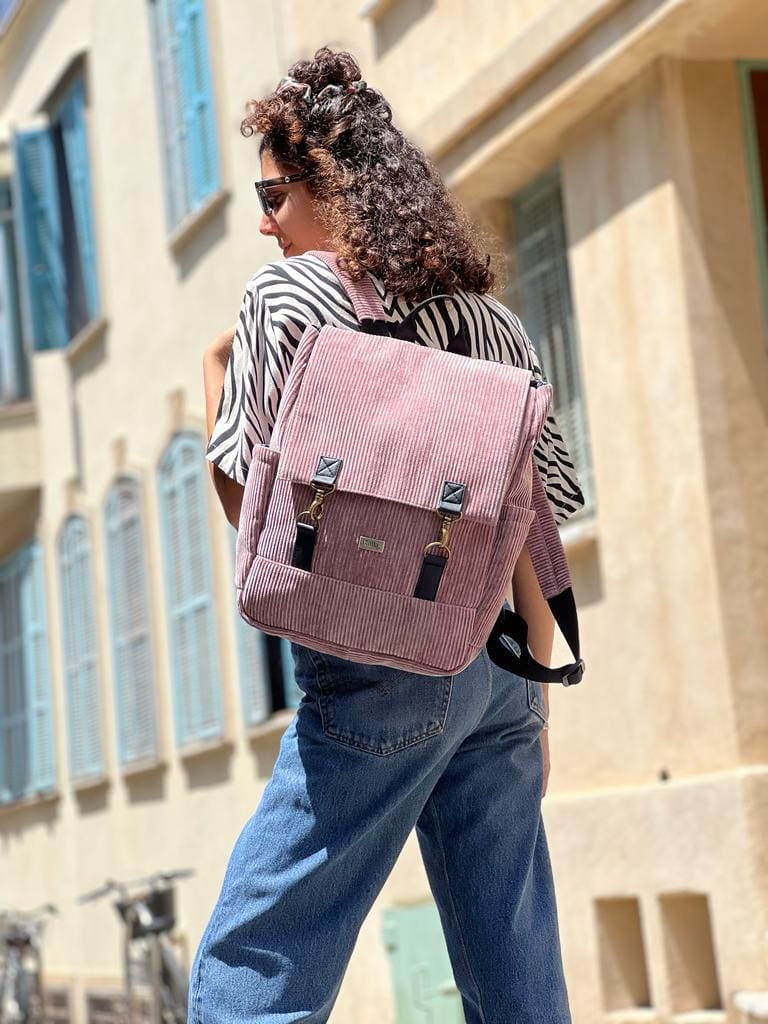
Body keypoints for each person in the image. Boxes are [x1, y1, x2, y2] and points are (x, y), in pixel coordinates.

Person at [193, 45, 584, 1024]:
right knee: (515, 974)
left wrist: (211, 378)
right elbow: (534, 522)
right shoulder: (493, 323)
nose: (263, 218)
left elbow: (253, 514)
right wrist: (534, 706)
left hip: (376, 667)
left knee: (255, 964)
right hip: (496, 666)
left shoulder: (283, 300)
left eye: (275, 193)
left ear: (334, 190)